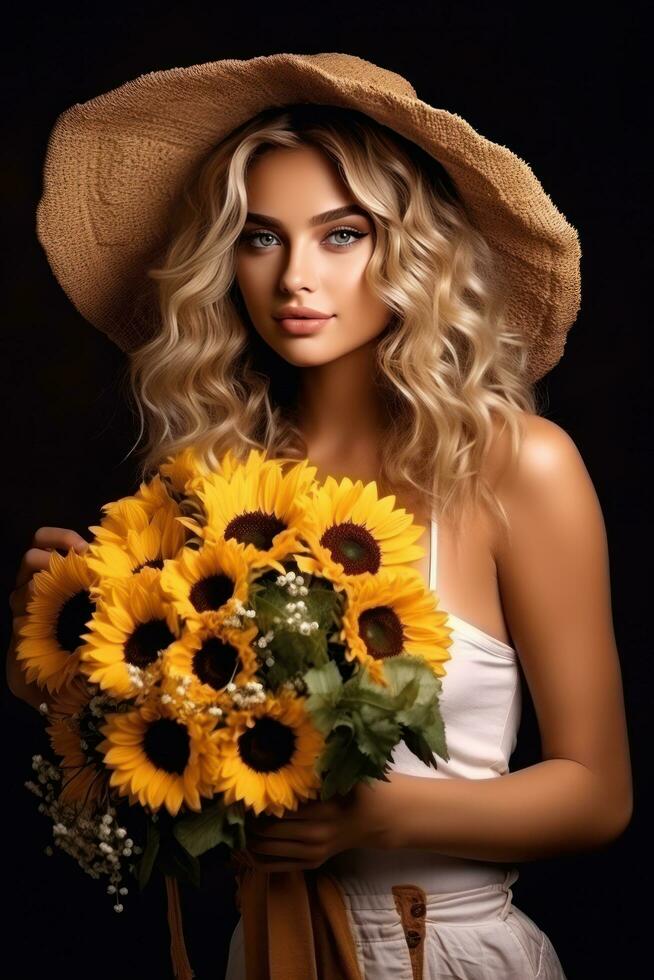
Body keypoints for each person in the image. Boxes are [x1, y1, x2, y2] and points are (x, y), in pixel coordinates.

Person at [7, 53, 632, 979]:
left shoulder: (516, 466)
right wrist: (56, 656)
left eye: (341, 235)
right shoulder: (213, 479)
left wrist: (379, 816)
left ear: (413, 250)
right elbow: (156, 763)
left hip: (443, 951)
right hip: (259, 951)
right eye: (260, 239)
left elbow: (598, 796)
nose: (295, 276)